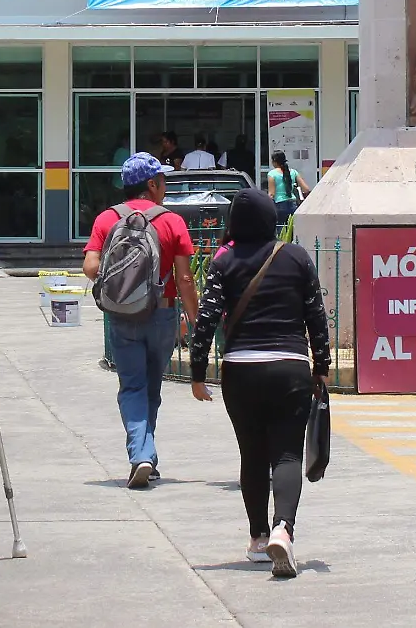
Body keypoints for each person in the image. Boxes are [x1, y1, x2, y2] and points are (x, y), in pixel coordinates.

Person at [187, 188, 332, 579]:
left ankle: (256, 538)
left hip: (241, 371)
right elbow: (316, 316)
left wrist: (198, 374)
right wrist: (322, 366)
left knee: (252, 454)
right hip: (290, 368)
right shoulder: (297, 258)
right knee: (287, 453)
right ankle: (284, 528)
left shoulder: (223, 261)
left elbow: (205, 321)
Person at [84, 152, 199, 488]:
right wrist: (195, 319)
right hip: (162, 313)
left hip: (122, 316)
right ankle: (145, 454)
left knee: (132, 386)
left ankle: (142, 454)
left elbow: (90, 268)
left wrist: (121, 278)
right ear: (152, 184)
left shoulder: (107, 220)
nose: (165, 185)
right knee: (151, 387)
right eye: (162, 180)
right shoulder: (171, 221)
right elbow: (186, 278)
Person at [265, 151, 310, 222]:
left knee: (281, 230)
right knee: (292, 229)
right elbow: (306, 189)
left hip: (279, 204)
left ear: (274, 161)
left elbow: (271, 194)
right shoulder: (293, 172)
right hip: (293, 203)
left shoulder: (272, 174)